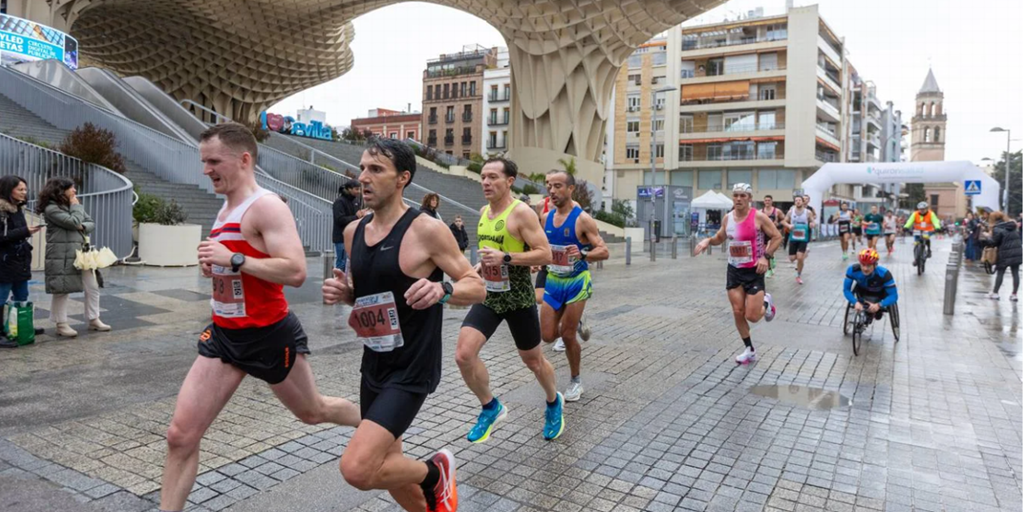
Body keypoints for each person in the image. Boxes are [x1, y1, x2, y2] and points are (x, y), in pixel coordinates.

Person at [159, 124, 362, 512]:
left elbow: (295, 270)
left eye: (214, 161)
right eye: (203, 162)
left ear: (244, 159)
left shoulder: (267, 205)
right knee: (180, 436)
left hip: (268, 335)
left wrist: (233, 259)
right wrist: (218, 269)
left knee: (312, 411)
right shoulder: (225, 207)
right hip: (223, 335)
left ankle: (377, 422)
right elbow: (241, 266)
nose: (206, 170)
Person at [323, 138, 484, 512]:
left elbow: (475, 287)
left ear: (403, 179)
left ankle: (434, 472)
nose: (364, 177)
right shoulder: (353, 232)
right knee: (388, 466)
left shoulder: (426, 230)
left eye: (376, 170)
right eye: (363, 168)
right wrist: (347, 294)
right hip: (374, 363)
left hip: (412, 367)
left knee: (359, 469)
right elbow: (368, 293)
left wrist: (442, 290)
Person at [456, 157, 565, 443]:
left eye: (493, 177)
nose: (486, 183)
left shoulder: (522, 213)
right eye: (483, 177)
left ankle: (554, 402)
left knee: (533, 361)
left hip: (517, 297)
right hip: (489, 294)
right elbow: (490, 252)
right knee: (464, 354)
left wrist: (506, 258)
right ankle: (490, 407)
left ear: (509, 181)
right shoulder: (483, 212)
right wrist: (483, 266)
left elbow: (545, 254)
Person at [694, 183, 782, 364]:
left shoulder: (759, 217)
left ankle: (767, 302)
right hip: (734, 270)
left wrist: (766, 257)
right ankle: (749, 349)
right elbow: (720, 237)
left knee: (752, 315)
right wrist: (707, 241)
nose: (739, 199)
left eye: (743, 195)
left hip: (754, 270)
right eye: (736, 195)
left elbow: (777, 237)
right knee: (737, 311)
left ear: (750, 198)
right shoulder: (728, 218)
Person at [539, 170, 608, 402]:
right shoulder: (545, 217)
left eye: (558, 186)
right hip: (554, 281)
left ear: (570, 189)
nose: (552, 190)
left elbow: (604, 250)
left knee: (568, 336)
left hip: (577, 282)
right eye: (550, 186)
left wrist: (583, 253)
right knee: (547, 335)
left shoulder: (582, 219)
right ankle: (575, 321)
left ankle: (576, 381)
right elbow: (540, 247)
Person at [36, 177, 109, 338]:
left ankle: (93, 318)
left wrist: (81, 225)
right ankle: (61, 324)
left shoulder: (72, 205)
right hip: (61, 254)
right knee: (62, 289)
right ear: (60, 190)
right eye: (71, 188)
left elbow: (90, 222)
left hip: (81, 254)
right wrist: (76, 210)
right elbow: (73, 221)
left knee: (93, 286)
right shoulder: (51, 208)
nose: (75, 191)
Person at [0, 176, 44, 348]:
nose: (24, 193)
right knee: (1, 297)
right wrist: (24, 231)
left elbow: (17, 232)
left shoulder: (18, 208)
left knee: (22, 295)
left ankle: (20, 325)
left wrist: (25, 231)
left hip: (19, 259)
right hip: (4, 261)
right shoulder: (2, 210)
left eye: (25, 189)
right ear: (8, 189)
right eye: (20, 189)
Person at [843, 248, 898, 330]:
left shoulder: (885, 274)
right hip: (862, 292)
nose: (865, 268)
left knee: (878, 315)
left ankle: (876, 312)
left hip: (880, 295)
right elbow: (846, 290)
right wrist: (855, 302)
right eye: (863, 265)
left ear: (875, 265)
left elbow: (894, 296)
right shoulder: (852, 270)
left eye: (868, 265)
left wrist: (879, 305)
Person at [981, 211, 1022, 301]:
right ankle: (1014, 294)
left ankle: (995, 293)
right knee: (1015, 273)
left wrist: (986, 237)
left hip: (1005, 253)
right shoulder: (1012, 226)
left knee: (1000, 272)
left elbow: (993, 242)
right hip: (1017, 252)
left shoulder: (997, 228)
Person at [782, 195, 814, 285]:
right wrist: (788, 225)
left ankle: (798, 275)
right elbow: (784, 221)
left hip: (803, 238)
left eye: (800, 200)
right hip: (793, 237)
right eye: (796, 200)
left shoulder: (808, 212)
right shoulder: (791, 211)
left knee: (800, 258)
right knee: (792, 259)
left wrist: (812, 224)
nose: (798, 202)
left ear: (803, 202)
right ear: (794, 202)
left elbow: (813, 221)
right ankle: (804, 252)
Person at [333, 181, 363, 271]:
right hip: (341, 238)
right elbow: (340, 220)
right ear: (349, 189)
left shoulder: (356, 201)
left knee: (350, 264)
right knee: (342, 263)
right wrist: (356, 216)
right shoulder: (339, 202)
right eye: (356, 189)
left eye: (359, 189)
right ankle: (338, 282)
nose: (359, 191)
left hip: (353, 237)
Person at [761, 195, 784, 278]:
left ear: (772, 201)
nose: (767, 202)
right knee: (765, 252)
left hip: (774, 234)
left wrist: (778, 224)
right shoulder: (760, 211)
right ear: (764, 202)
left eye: (769, 200)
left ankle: (769, 270)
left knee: (768, 251)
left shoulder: (777, 211)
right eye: (766, 200)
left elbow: (784, 220)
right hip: (764, 234)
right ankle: (772, 260)